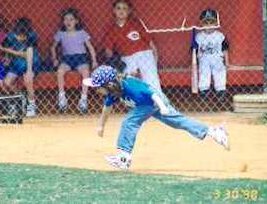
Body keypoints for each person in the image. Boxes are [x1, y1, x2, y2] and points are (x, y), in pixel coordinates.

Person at [83, 65, 230, 170]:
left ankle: (123, 158)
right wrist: (101, 126)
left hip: (155, 100)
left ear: (109, 84)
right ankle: (213, 131)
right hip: (146, 105)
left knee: (129, 121)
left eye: (97, 87)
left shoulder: (130, 85)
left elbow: (151, 93)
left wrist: (164, 107)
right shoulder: (113, 92)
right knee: (177, 121)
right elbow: (106, 108)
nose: (95, 90)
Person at [103, 0, 161, 92]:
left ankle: (158, 102)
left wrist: (155, 57)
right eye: (118, 8)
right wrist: (112, 62)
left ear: (129, 11)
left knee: (151, 78)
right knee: (128, 80)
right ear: (114, 10)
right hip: (126, 57)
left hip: (144, 53)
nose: (121, 11)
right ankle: (136, 102)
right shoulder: (112, 30)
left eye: (125, 8)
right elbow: (108, 50)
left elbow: (150, 42)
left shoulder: (135, 23)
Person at [50, 8, 98, 113]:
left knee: (86, 72)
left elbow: (90, 47)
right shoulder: (61, 33)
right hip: (67, 58)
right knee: (60, 71)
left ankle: (83, 99)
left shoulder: (81, 33)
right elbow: (53, 47)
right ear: (63, 21)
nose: (68, 22)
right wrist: (54, 59)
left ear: (76, 21)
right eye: (66, 19)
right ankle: (62, 97)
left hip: (80, 58)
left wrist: (94, 60)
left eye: (71, 19)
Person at [0, 17, 40, 117]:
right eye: (19, 36)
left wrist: (30, 71)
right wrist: (7, 57)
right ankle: (21, 97)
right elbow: (4, 47)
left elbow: (28, 54)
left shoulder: (31, 35)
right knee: (7, 82)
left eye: (23, 36)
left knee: (27, 79)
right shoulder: (10, 36)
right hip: (17, 63)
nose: (21, 38)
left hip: (31, 62)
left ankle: (31, 104)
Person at [194, 9, 229, 99]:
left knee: (219, 71)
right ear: (202, 24)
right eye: (206, 23)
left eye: (211, 22)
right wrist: (197, 56)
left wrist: (227, 62)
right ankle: (204, 89)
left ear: (216, 23)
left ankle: (220, 89)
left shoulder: (220, 36)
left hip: (217, 58)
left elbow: (225, 49)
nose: (209, 25)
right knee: (204, 71)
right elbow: (196, 50)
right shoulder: (199, 36)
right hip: (204, 58)